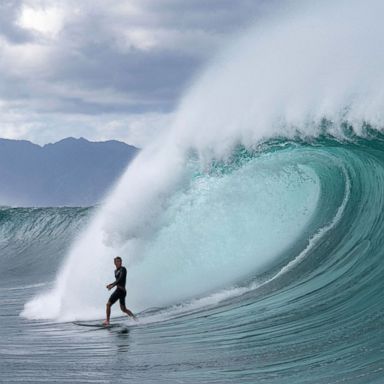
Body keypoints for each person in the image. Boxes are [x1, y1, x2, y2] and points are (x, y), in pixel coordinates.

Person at [103, 256, 136, 325]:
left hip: (120, 291)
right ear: (114, 263)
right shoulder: (115, 271)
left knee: (108, 304)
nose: (119, 262)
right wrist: (111, 284)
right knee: (124, 309)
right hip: (121, 291)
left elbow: (120, 279)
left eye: (120, 261)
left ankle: (107, 321)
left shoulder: (123, 269)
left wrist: (112, 286)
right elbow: (117, 280)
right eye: (117, 261)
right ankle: (136, 320)